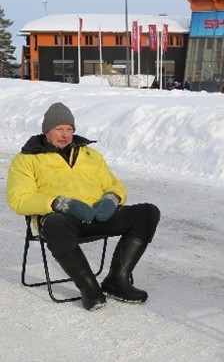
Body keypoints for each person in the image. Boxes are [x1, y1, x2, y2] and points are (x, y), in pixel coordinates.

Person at [6, 102, 160, 311]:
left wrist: (112, 198)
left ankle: (117, 280)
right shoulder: (26, 160)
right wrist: (58, 203)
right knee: (55, 224)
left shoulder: (90, 154)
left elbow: (114, 183)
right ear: (47, 131)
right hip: (64, 221)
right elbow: (19, 199)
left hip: (97, 215)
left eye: (69, 129)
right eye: (59, 129)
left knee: (147, 212)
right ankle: (90, 289)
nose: (65, 135)